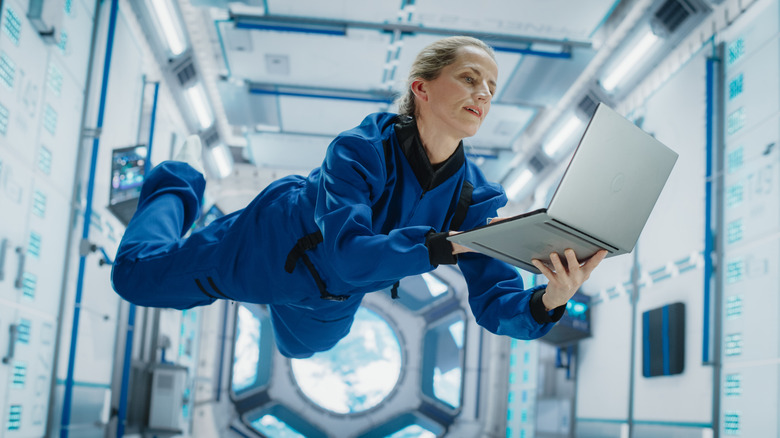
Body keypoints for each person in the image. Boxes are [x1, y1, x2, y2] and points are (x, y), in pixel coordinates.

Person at [111, 36, 607, 359]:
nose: (484, 94)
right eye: (469, 78)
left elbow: (496, 300)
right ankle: (179, 181)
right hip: (270, 246)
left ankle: (275, 305)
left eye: (492, 88)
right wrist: (444, 246)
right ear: (422, 88)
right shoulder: (359, 150)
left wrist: (547, 301)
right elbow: (346, 253)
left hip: (333, 296)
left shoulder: (471, 196)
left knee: (301, 351)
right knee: (133, 277)